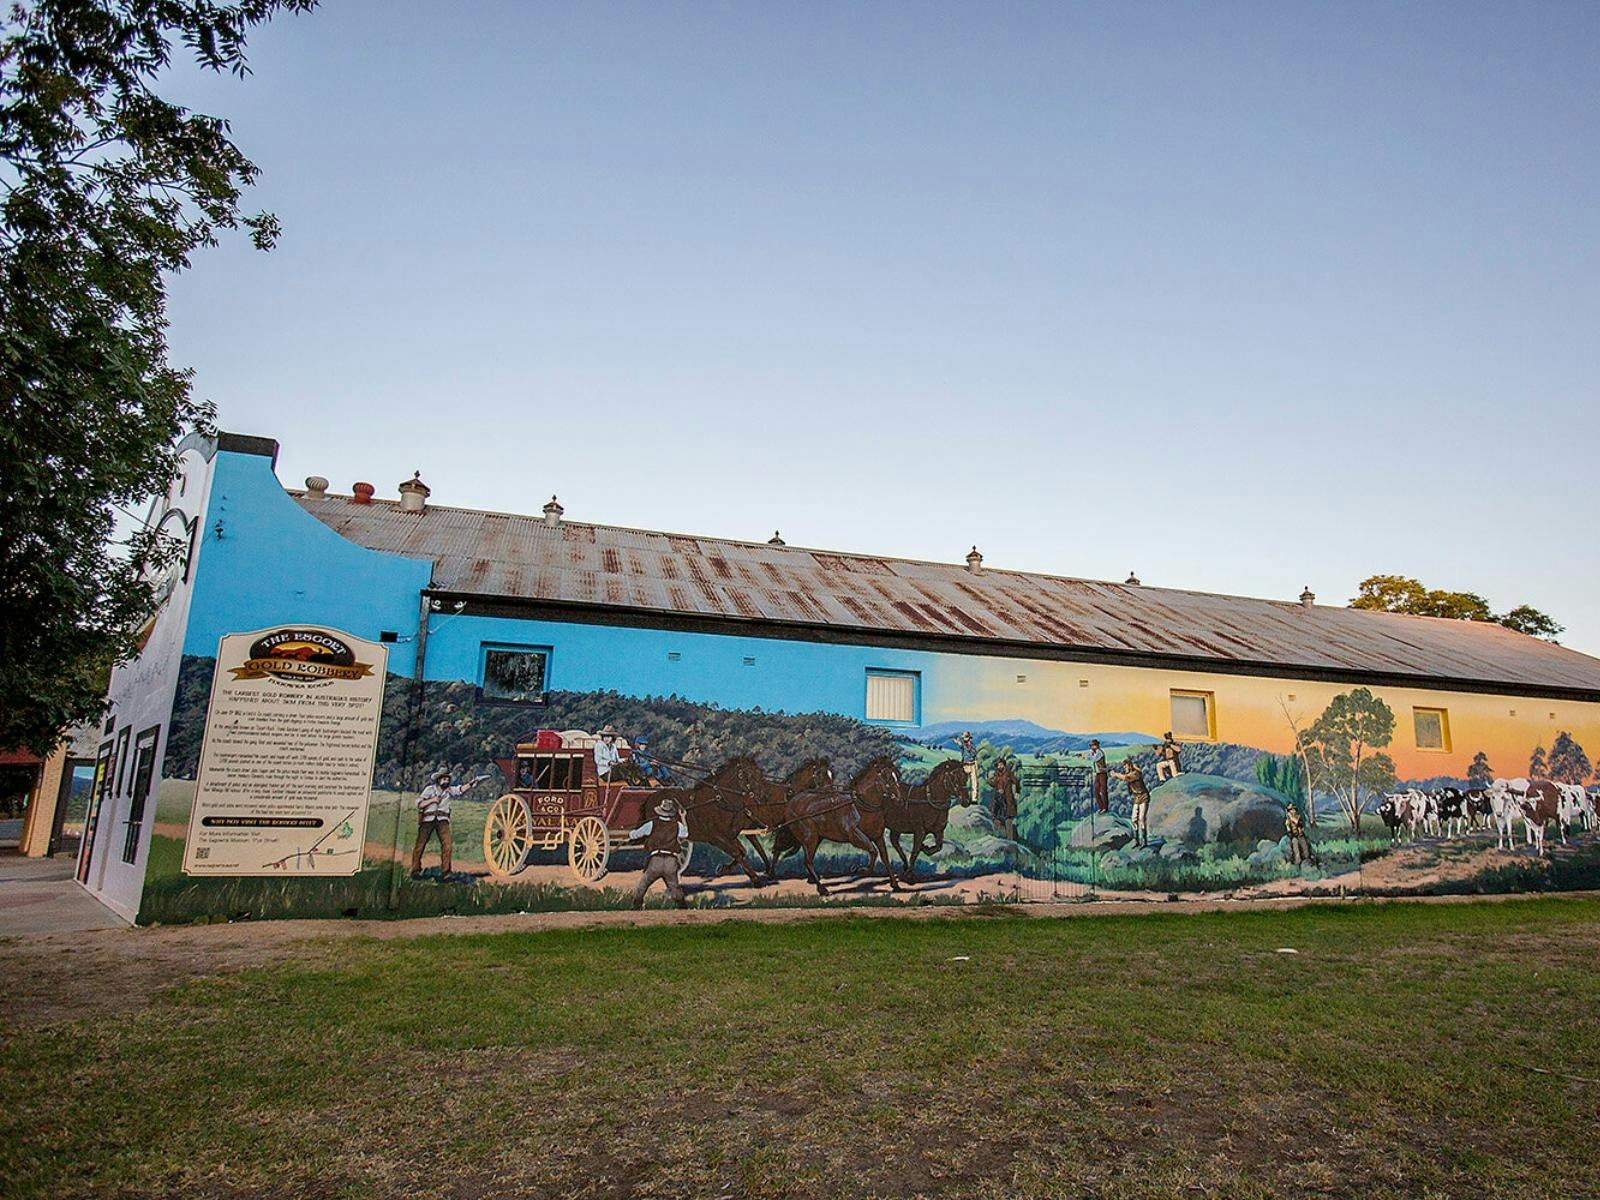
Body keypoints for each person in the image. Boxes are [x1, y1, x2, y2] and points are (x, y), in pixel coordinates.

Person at [412, 769, 487, 880]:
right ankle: (415, 870)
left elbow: (460, 789)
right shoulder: (429, 790)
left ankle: (446, 873)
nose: (446, 781)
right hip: (428, 819)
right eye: (444, 779)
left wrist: (471, 784)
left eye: (447, 779)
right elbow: (419, 803)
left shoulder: (449, 790)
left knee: (447, 846)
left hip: (442, 820)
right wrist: (432, 800)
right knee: (420, 845)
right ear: (438, 780)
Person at [628, 795, 690, 909]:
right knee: (674, 887)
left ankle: (636, 907)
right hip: (671, 862)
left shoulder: (652, 824)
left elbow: (635, 834)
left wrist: (630, 834)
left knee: (643, 884)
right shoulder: (677, 825)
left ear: (659, 811)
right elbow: (685, 834)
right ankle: (683, 908)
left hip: (656, 861)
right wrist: (683, 817)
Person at [1112, 757, 1151, 847]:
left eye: (1126, 766)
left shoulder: (1135, 773)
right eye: (1124, 767)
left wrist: (1115, 774)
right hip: (1136, 798)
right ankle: (1137, 841)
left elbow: (1126, 778)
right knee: (1133, 819)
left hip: (1143, 796)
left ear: (1130, 765)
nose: (1125, 768)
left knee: (1141, 818)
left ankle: (1144, 841)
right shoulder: (1131, 773)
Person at [1085, 739, 1109, 813]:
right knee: (1096, 791)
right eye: (1091, 746)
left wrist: (1085, 757)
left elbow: (1094, 759)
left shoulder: (1099, 752)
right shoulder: (1093, 752)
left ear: (1097, 745)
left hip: (1102, 773)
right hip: (1098, 774)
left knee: (1103, 791)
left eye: (1094, 745)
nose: (1092, 747)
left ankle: (1105, 808)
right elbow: (1089, 756)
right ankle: (1101, 807)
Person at [956, 730, 979, 806]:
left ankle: (974, 799)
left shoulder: (972, 745)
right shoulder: (963, 744)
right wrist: (958, 742)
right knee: (963, 782)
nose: (965, 739)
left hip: (972, 764)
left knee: (974, 783)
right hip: (965, 765)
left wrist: (968, 746)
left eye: (966, 737)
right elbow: (960, 745)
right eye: (964, 737)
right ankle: (964, 798)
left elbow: (974, 753)